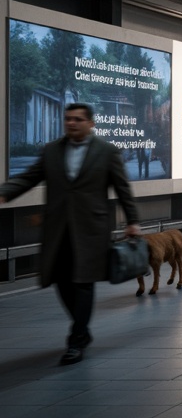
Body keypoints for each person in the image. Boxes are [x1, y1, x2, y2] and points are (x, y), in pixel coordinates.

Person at [0, 103, 140, 366]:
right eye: (68, 119)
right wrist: (5, 192)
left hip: (91, 229)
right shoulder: (52, 150)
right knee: (61, 281)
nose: (71, 123)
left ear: (90, 123)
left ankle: (76, 340)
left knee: (83, 282)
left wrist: (132, 221)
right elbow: (29, 177)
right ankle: (82, 329)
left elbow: (123, 188)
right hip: (59, 228)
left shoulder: (107, 151)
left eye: (77, 119)